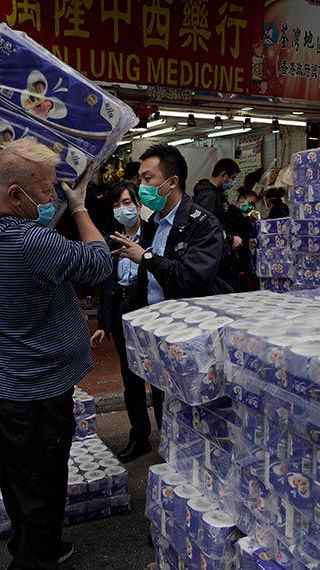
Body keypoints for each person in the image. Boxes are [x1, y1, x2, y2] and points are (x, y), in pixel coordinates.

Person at [0, 138, 111, 570]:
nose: (55, 197)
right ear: (15, 194)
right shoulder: (32, 242)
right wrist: (81, 208)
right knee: (44, 489)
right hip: (38, 393)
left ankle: (31, 545)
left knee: (20, 483)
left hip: (4, 384)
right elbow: (99, 263)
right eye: (49, 189)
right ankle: (34, 560)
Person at [109, 144, 232, 429]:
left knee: (191, 406)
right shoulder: (153, 224)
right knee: (164, 398)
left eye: (148, 178)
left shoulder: (202, 224)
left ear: (172, 182)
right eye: (140, 178)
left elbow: (191, 278)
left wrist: (147, 257)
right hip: (158, 327)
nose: (142, 186)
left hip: (189, 331)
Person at [90, 183, 157, 462]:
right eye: (117, 205)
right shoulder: (111, 241)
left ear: (139, 205)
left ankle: (169, 432)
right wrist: (104, 323)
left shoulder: (154, 235)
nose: (123, 209)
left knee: (159, 376)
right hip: (121, 309)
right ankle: (139, 435)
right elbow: (106, 286)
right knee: (130, 379)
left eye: (127, 202)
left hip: (148, 311)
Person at [225, 190, 260, 292]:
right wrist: (249, 220)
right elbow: (237, 227)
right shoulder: (231, 212)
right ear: (241, 199)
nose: (251, 207)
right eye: (250, 203)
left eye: (253, 205)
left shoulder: (240, 214)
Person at [192, 158, 240, 225]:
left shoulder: (217, 193)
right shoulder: (209, 195)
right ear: (224, 175)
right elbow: (206, 225)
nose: (233, 182)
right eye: (233, 178)